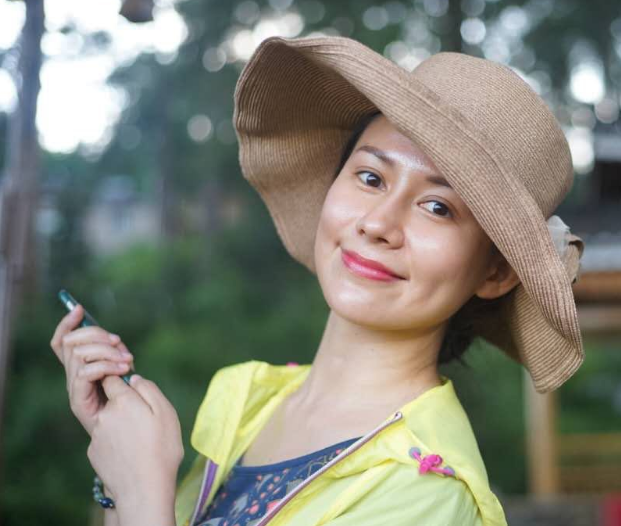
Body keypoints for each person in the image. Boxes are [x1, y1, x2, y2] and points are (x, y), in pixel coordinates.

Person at [50, 35, 586, 526]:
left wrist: (145, 490)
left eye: (437, 207)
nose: (378, 223)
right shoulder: (251, 399)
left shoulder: (429, 492)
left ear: (495, 272)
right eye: (371, 177)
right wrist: (117, 460)